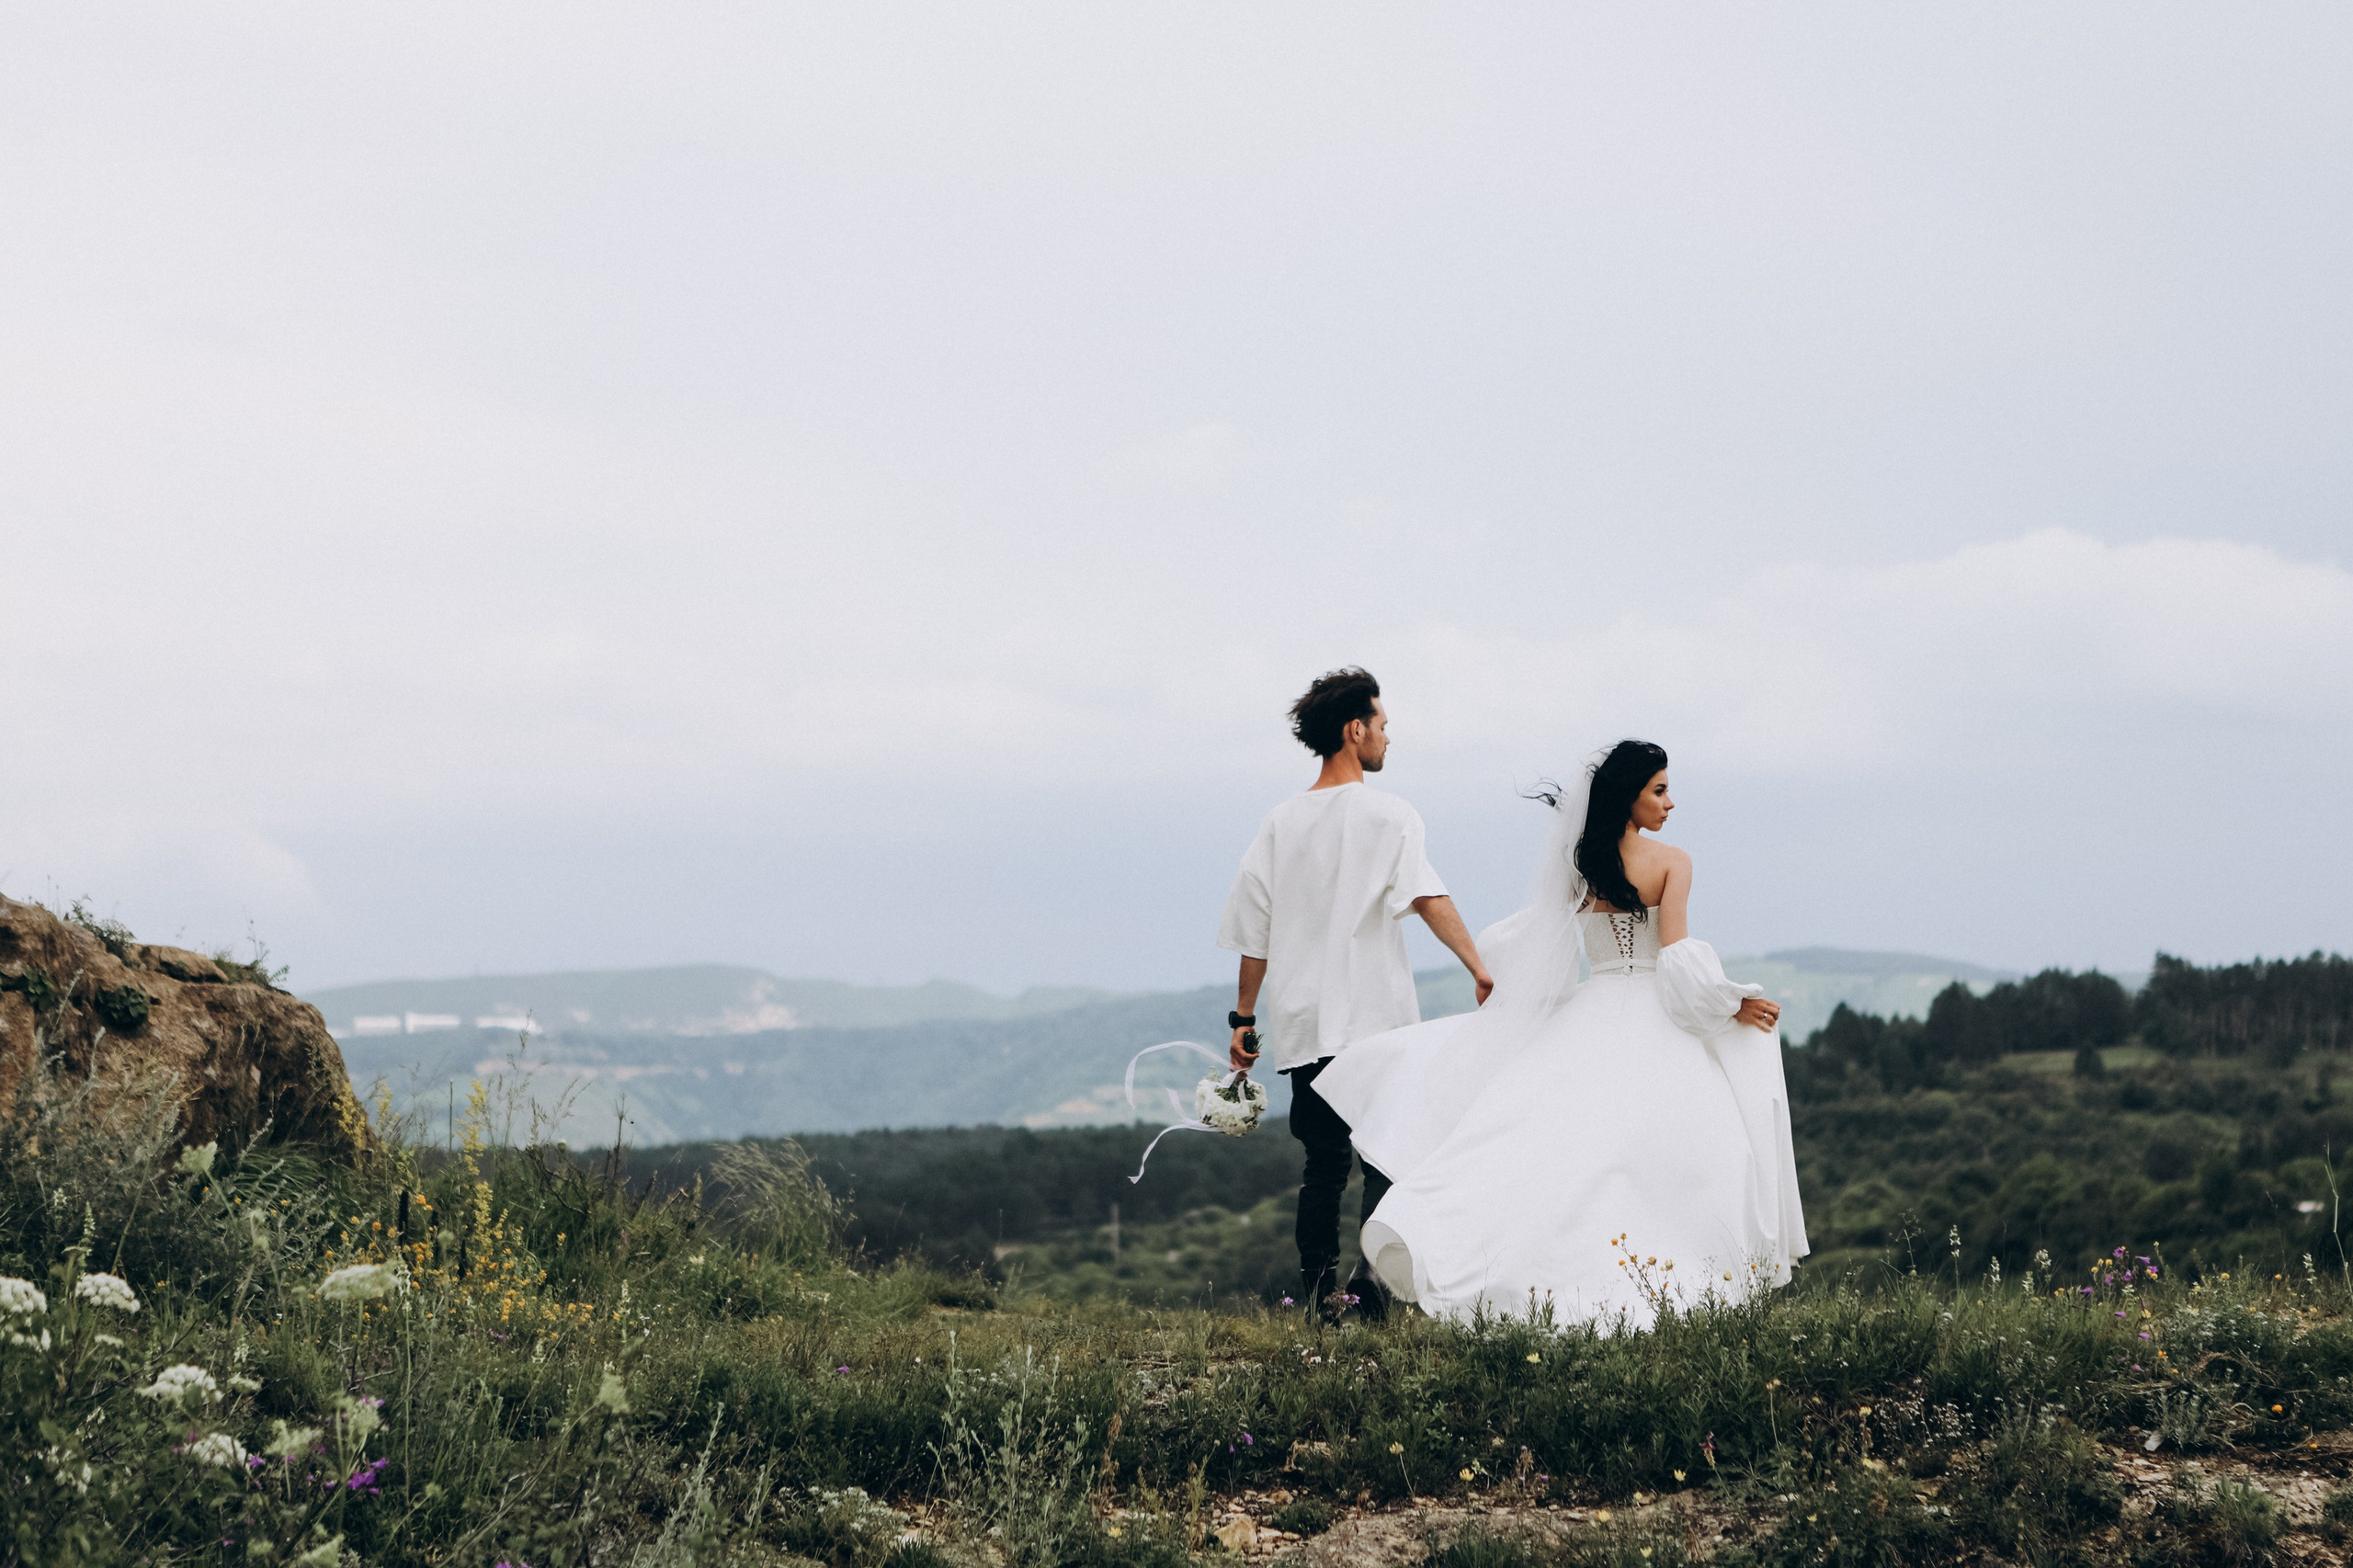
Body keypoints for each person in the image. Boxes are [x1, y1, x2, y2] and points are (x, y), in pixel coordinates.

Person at [1313, 740, 1809, 1328]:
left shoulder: (1581, 866)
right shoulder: (1672, 862)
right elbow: (1675, 961)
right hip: (1653, 1012)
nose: (1670, 803)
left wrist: (1503, 988)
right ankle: (1669, 1276)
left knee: (1558, 1145)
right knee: (1678, 1152)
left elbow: (1542, 940)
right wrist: (1734, 1002)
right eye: (1659, 790)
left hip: (1593, 1008)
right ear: (1629, 798)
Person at [1216, 667, 1493, 1320]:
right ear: (1355, 729)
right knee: (1385, 1164)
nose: (1389, 738)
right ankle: (1372, 1298)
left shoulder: (1279, 823)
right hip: (1377, 1021)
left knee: (1322, 1168)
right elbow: (1426, 896)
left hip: (1304, 1022)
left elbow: (1253, 932)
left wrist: (1244, 1019)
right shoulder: (1391, 815)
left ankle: (1318, 1302)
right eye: (1383, 726)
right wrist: (1479, 967)